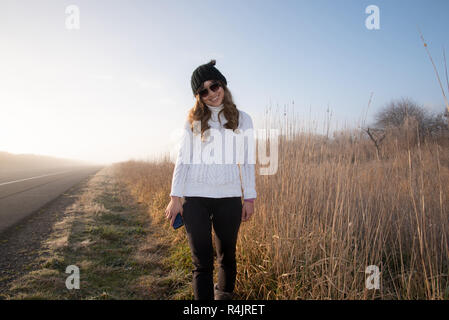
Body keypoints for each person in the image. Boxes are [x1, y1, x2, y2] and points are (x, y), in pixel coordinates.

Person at [164, 60, 257, 300]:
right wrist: (175, 198)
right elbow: (183, 160)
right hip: (195, 199)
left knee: (227, 256)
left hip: (229, 198)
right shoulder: (193, 120)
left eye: (214, 86)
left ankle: (224, 298)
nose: (211, 94)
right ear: (198, 96)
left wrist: (250, 198)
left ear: (222, 84)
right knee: (202, 262)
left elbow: (247, 161)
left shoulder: (243, 119)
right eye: (203, 91)